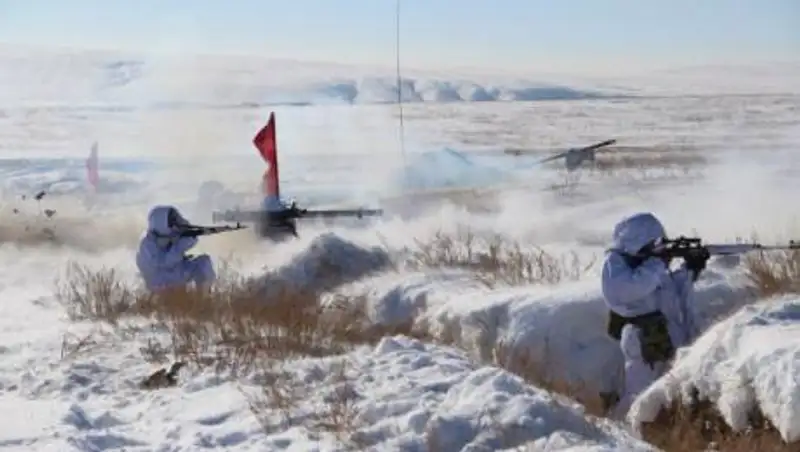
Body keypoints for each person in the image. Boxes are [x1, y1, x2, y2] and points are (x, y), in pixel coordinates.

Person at [600, 212, 710, 419]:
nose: (657, 246)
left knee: (672, 393)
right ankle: (626, 434)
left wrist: (690, 270)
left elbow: (667, 291)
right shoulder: (615, 264)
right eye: (653, 242)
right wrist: (659, 263)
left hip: (668, 335)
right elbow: (631, 289)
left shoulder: (649, 265)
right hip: (643, 342)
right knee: (639, 396)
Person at [136, 205, 216, 292]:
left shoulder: (168, 234)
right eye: (172, 221)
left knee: (204, 262)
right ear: (161, 223)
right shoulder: (147, 244)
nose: (175, 224)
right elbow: (164, 262)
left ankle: (204, 296)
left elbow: (188, 240)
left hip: (175, 273)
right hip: (161, 283)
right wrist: (180, 247)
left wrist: (189, 232)